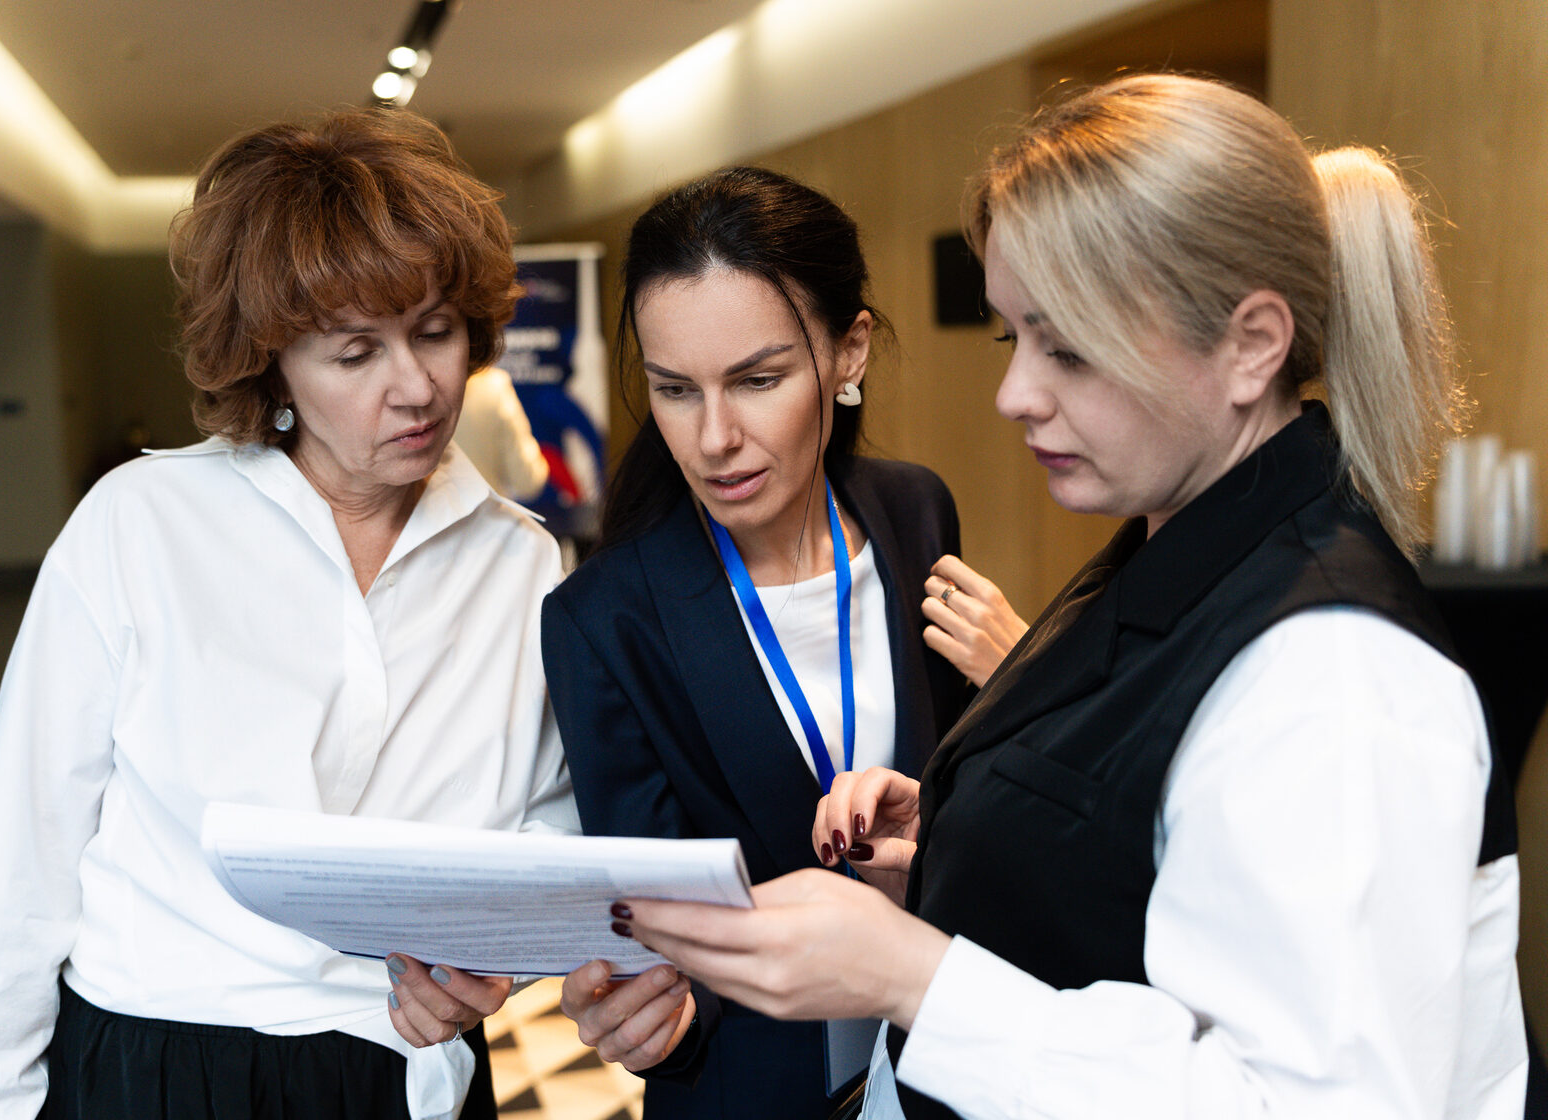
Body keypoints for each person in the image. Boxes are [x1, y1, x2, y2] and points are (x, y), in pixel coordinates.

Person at [590, 75, 1527, 1119]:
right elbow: (1135, 862)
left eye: (1069, 349)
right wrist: (961, 848)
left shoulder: (1336, 679)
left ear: (1252, 345)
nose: (1015, 394)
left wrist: (915, 975)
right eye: (1014, 339)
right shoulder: (1171, 549)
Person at [0, 107, 576, 1120]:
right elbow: (21, 857)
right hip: (162, 1062)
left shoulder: (519, 559)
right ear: (274, 365)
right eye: (354, 353)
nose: (416, 387)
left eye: (436, 333)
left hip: (403, 1065)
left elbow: (546, 822)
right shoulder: (141, 524)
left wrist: (496, 960)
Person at [542, 166, 1024, 1119]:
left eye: (758, 381)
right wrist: (662, 1021)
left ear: (849, 353)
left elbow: (966, 801)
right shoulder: (605, 618)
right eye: (675, 390)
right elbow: (660, 922)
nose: (714, 437)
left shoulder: (914, 512)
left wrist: (1018, 686)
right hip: (751, 1091)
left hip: (937, 1066)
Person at [456, 365, 550, 501]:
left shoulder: (425, 387)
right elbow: (527, 480)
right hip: (485, 511)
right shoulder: (494, 385)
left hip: (429, 511)